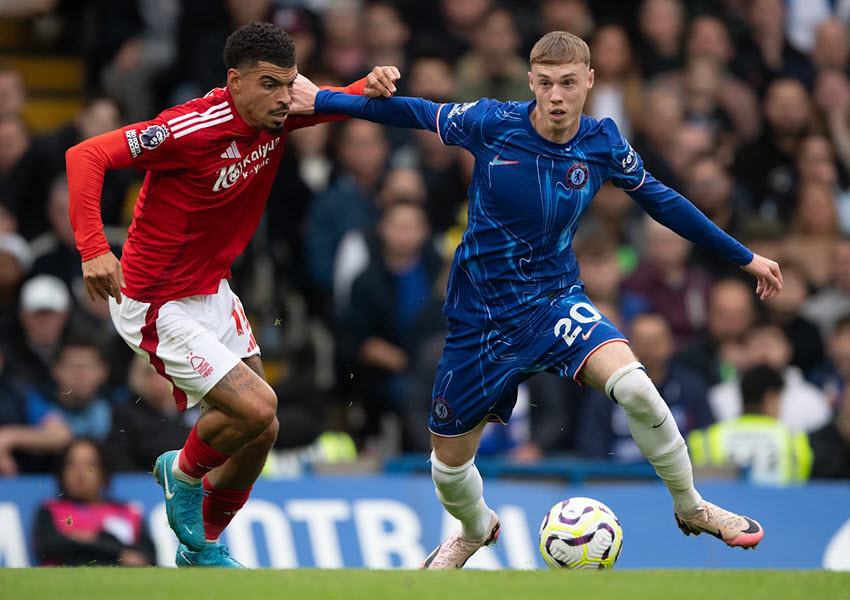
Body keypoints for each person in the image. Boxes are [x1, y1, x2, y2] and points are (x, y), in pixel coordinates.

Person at [294, 30, 783, 569]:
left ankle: (692, 507)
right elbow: (410, 112)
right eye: (546, 83)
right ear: (531, 81)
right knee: (448, 467)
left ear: (589, 82)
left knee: (637, 387)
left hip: (553, 303)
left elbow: (663, 201)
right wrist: (318, 98)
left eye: (568, 83)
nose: (556, 96)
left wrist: (744, 258)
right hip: (478, 318)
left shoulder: (603, 143)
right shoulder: (491, 122)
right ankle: (476, 529)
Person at [65, 21, 398, 568]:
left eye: (288, 84)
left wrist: (371, 84)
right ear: (235, 80)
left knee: (262, 430)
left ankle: (202, 548)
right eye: (268, 83)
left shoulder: (279, 112)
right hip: (154, 297)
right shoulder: (191, 128)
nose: (282, 97)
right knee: (256, 405)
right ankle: (182, 471)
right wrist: (94, 247)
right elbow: (87, 156)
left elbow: (333, 107)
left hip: (210, 289)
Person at [33, 438, 156, 566]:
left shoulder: (129, 512)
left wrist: (91, 539)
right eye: (71, 464)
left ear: (103, 471)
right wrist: (113, 548)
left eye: (90, 465)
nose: (80, 474)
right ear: (62, 472)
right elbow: (48, 546)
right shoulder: (51, 509)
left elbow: (147, 557)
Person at [689, 366, 812, 486]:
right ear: (770, 398)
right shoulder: (794, 441)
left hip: (724, 504)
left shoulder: (704, 438)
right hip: (776, 506)